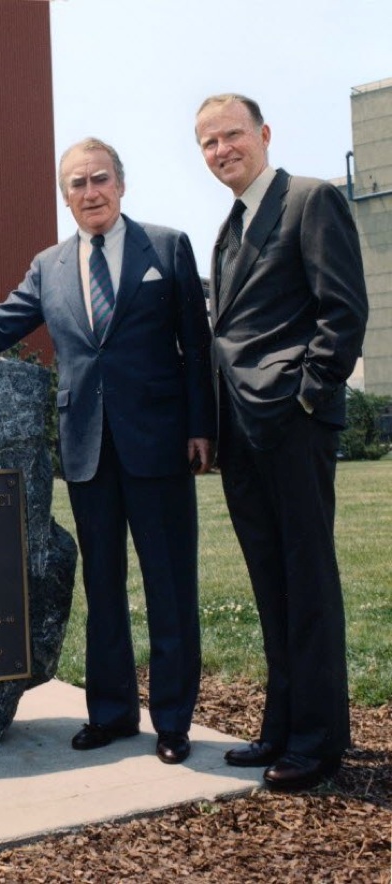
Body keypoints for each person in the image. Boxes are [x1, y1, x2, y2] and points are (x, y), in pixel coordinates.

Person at [0, 138, 214, 765]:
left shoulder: (166, 247)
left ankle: (172, 722)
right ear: (65, 196)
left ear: (121, 184)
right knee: (102, 586)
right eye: (77, 184)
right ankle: (111, 714)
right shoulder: (49, 266)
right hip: (87, 449)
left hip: (159, 443)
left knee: (169, 585)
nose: (90, 192)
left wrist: (201, 427)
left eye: (99, 179)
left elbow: (196, 343)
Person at [194, 94, 368, 791]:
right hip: (242, 432)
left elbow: (343, 311)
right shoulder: (230, 226)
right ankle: (282, 725)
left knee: (308, 581)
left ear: (263, 133)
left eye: (231, 135)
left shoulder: (309, 200)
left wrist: (306, 394)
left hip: (292, 423)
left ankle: (318, 741)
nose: (221, 150)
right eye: (208, 143)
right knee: (271, 583)